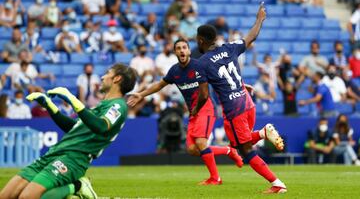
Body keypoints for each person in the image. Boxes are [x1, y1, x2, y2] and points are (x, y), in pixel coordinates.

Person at [128, 39, 280, 185]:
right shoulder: (174, 71)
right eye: (178, 48)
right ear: (175, 52)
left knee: (201, 142)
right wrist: (141, 94)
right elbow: (159, 85)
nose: (181, 50)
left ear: (188, 50)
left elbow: (220, 77)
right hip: (193, 111)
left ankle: (215, 178)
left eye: (184, 47)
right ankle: (229, 150)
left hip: (206, 108)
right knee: (193, 150)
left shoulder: (199, 65)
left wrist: (241, 85)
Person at [0, 63, 137, 199]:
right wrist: (50, 106)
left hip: (74, 159)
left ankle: (77, 187)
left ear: (117, 78)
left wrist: (72, 100)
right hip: (54, 153)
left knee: (27, 197)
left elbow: (100, 126)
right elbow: (73, 128)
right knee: (5, 196)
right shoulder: (101, 105)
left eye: (107, 73)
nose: (102, 77)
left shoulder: (118, 106)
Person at [192, 3, 286, 193]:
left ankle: (277, 184)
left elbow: (203, 94)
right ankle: (261, 134)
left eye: (197, 40)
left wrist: (195, 110)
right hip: (247, 102)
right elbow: (251, 36)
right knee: (236, 144)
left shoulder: (201, 63)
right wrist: (260, 19)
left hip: (233, 110)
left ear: (201, 40)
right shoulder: (230, 48)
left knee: (246, 150)